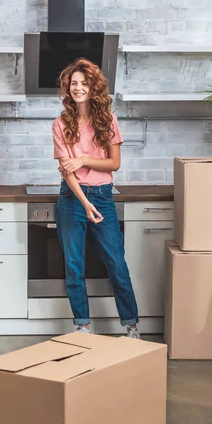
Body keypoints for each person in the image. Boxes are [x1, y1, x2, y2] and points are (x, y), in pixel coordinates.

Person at [52, 58, 140, 339]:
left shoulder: (108, 120)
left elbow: (114, 163)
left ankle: (131, 326)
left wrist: (82, 160)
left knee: (116, 263)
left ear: (93, 87)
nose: (78, 88)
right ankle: (82, 327)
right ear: (67, 88)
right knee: (74, 266)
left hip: (103, 196)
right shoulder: (60, 124)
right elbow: (67, 173)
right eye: (73, 83)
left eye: (84, 83)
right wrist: (84, 203)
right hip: (72, 198)